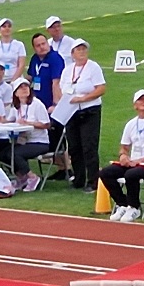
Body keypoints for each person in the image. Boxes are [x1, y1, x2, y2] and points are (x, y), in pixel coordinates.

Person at [98, 89, 144, 222]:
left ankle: (134, 207)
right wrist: (123, 156)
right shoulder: (131, 124)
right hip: (133, 163)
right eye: (141, 100)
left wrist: (140, 160)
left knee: (131, 175)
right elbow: (124, 147)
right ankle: (122, 203)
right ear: (135, 105)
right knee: (106, 173)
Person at [58, 38, 105, 191]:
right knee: (74, 146)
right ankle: (78, 180)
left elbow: (100, 89)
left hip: (89, 110)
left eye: (84, 49)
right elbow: (63, 89)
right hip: (72, 111)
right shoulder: (68, 70)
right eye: (78, 50)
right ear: (72, 54)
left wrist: (84, 98)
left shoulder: (93, 67)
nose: (82, 52)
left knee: (89, 146)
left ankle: (93, 181)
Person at [28, 32, 69, 180]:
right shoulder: (35, 59)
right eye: (38, 45)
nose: (42, 47)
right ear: (34, 48)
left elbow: (56, 82)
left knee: (56, 136)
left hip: (51, 105)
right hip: (39, 105)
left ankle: (65, 168)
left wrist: (55, 105)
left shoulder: (55, 58)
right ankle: (61, 168)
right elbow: (31, 77)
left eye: (43, 44)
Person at [4, 79, 50, 192]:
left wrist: (29, 123)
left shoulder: (37, 104)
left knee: (15, 154)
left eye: (26, 86)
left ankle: (32, 177)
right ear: (15, 93)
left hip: (39, 141)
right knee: (3, 154)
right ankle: (21, 177)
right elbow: (11, 120)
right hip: (23, 141)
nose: (24, 89)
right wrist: (2, 121)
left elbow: (46, 124)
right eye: (21, 87)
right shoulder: (16, 106)